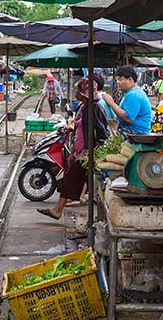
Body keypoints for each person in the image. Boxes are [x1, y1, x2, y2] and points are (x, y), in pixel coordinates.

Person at [37, 76, 110, 222]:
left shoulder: (95, 108)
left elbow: (103, 133)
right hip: (80, 151)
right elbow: (79, 130)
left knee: (72, 179)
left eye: (78, 90)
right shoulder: (83, 107)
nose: (75, 93)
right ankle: (90, 215)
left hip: (87, 153)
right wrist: (74, 150)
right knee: (78, 180)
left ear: (84, 92)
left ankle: (59, 210)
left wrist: (93, 151)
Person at [101, 65, 152, 135]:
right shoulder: (131, 93)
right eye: (117, 80)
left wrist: (111, 103)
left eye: (120, 79)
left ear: (130, 80)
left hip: (135, 131)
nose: (118, 82)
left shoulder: (134, 95)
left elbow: (128, 118)